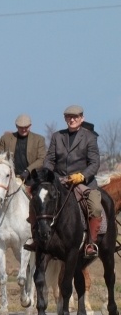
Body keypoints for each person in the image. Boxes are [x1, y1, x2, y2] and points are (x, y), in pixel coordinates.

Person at [24, 105, 102, 256]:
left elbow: (95, 163)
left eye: (75, 117)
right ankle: (36, 239)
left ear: (82, 118)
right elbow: (49, 160)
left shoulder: (90, 138)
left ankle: (91, 244)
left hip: (83, 183)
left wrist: (82, 176)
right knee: (36, 200)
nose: (72, 119)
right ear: (65, 118)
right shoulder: (57, 136)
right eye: (69, 117)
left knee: (96, 207)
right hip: (59, 181)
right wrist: (50, 175)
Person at [0, 114, 46, 244]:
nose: (23, 129)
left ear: (30, 126)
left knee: (39, 200)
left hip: (30, 179)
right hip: (9, 179)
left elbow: (41, 159)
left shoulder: (39, 140)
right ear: (16, 126)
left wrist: (28, 170)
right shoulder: (6, 139)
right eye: (21, 127)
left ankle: (40, 232)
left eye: (26, 127)